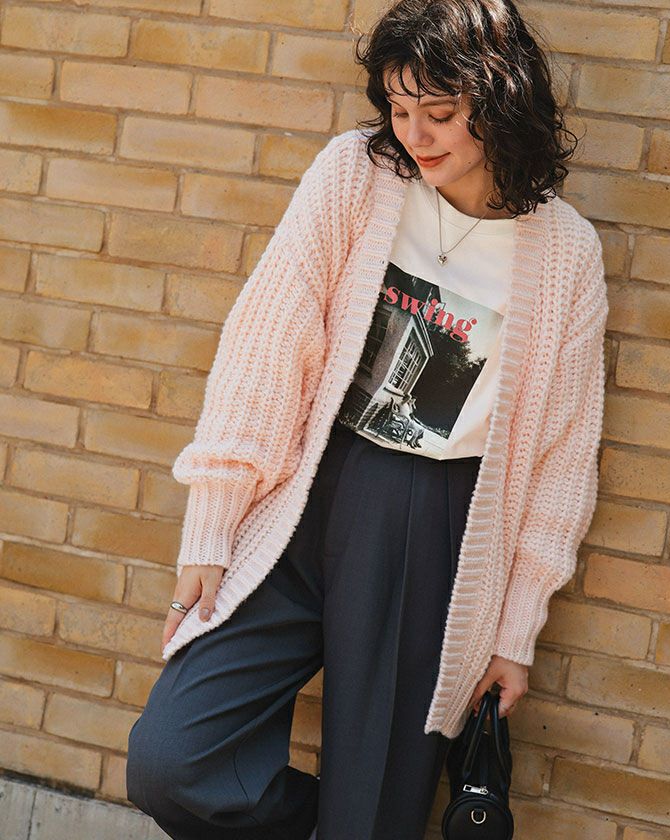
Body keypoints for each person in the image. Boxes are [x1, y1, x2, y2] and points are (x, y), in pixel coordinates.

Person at [126, 1, 609, 839]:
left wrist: (516, 629)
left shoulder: (566, 252)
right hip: (305, 494)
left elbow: (562, 460)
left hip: (435, 527)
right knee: (173, 763)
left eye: (440, 112)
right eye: (398, 107)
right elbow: (267, 344)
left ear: (499, 102)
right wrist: (211, 528)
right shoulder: (356, 174)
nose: (415, 134)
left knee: (375, 812)